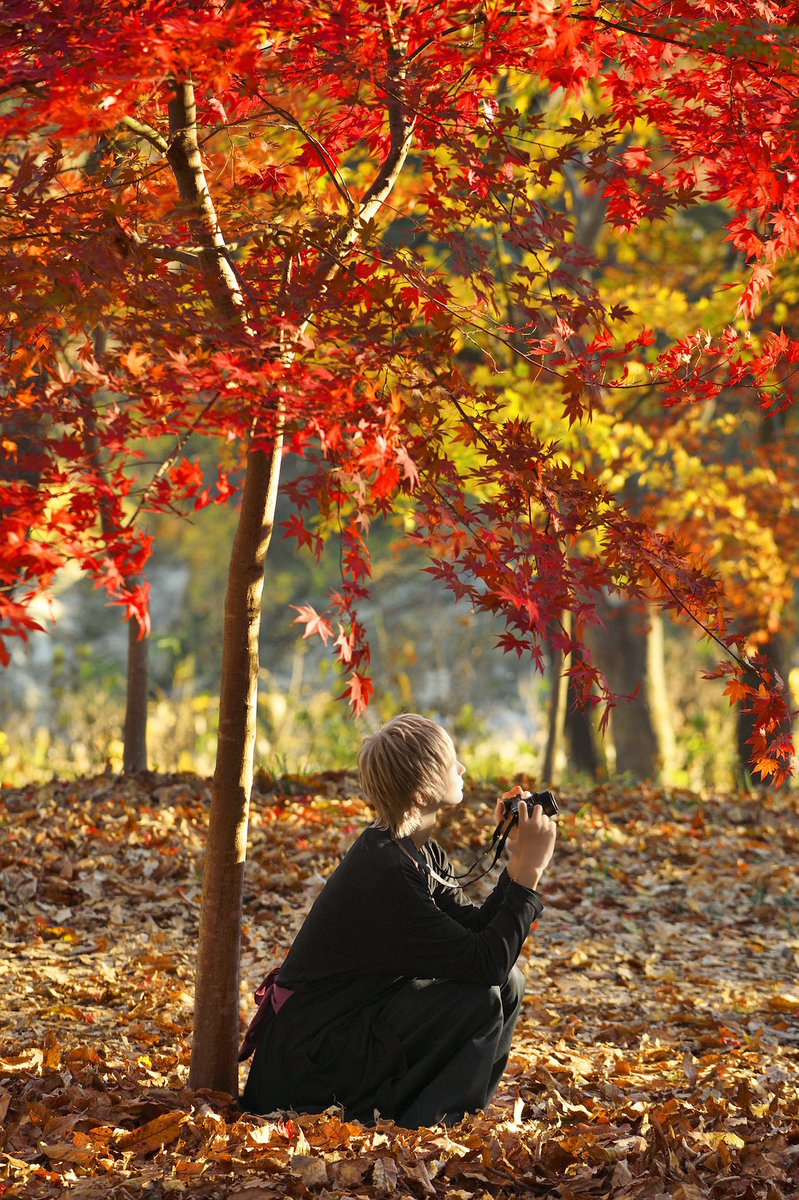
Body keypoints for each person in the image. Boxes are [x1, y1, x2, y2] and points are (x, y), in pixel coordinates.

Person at [240, 713, 557, 1128]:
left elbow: (479, 938)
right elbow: (484, 962)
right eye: (450, 764)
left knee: (509, 982)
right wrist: (526, 873)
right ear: (425, 788)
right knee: (478, 999)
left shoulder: (415, 851)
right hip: (308, 1062)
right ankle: (434, 1131)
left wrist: (515, 860)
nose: (461, 769)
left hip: (350, 1026)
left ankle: (461, 1115)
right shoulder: (385, 872)